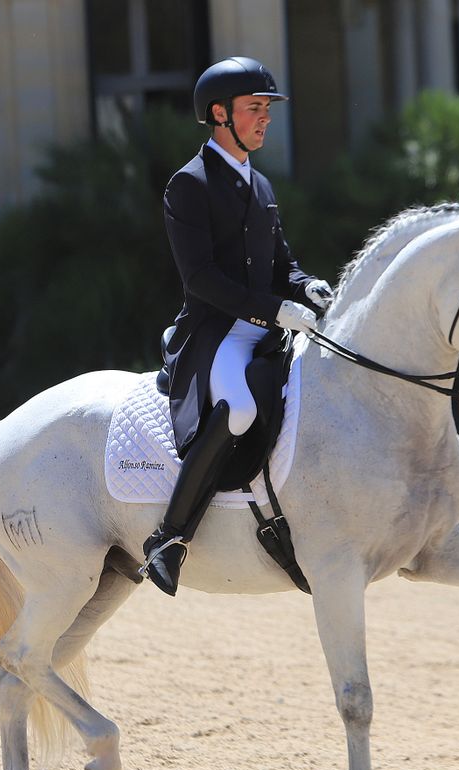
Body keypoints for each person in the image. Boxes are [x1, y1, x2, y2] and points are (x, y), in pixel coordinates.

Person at [141, 57, 333, 595]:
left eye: (267, 109)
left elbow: (282, 266)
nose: (264, 118)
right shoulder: (190, 185)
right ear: (219, 114)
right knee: (242, 409)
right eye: (255, 108)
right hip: (216, 334)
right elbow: (200, 278)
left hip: (268, 326)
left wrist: (307, 287)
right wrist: (273, 311)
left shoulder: (261, 184)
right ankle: (170, 537)